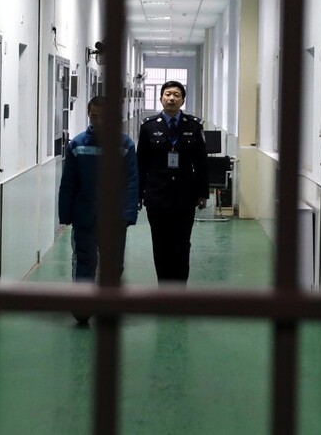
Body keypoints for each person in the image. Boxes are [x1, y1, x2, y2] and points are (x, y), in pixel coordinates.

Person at [58, 95, 140, 325]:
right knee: (85, 261)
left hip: (115, 218)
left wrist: (127, 215)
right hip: (86, 216)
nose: (99, 121)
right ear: (88, 114)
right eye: (94, 116)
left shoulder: (125, 145)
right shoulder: (77, 144)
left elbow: (131, 182)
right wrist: (66, 214)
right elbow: (69, 182)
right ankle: (83, 307)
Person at [138, 80, 209, 283]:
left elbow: (201, 163)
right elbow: (141, 163)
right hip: (157, 197)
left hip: (185, 197)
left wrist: (203, 193)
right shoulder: (149, 126)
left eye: (176, 95)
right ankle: (164, 289)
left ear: (183, 100)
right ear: (160, 98)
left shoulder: (193, 126)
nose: (171, 98)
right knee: (160, 245)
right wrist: (138, 194)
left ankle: (179, 290)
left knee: (182, 244)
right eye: (167, 94)